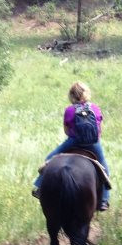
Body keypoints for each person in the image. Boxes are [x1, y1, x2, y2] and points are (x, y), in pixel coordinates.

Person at [33, 81, 110, 211]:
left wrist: (75, 136)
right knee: (104, 168)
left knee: (49, 159)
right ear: (86, 93)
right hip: (93, 143)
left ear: (72, 96)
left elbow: (66, 131)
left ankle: (39, 187)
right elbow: (99, 130)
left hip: (74, 141)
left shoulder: (69, 110)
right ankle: (104, 200)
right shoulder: (95, 108)